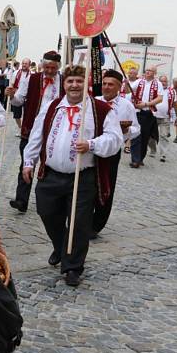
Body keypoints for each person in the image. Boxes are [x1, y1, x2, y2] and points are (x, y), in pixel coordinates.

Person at [22, 65, 122, 286]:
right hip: (51, 174)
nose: (74, 85)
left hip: (82, 176)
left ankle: (73, 266)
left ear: (85, 83)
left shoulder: (100, 109)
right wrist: (28, 162)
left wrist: (92, 144)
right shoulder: (52, 106)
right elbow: (37, 136)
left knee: (79, 223)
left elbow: (115, 140)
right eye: (70, 81)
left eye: (79, 81)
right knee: (46, 212)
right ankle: (60, 245)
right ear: (64, 84)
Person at [9, 51, 63, 213]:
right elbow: (19, 99)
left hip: (55, 130)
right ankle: (21, 200)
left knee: (50, 166)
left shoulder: (64, 81)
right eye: (47, 67)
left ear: (58, 67)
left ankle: (48, 200)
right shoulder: (31, 79)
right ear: (42, 65)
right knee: (26, 163)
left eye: (53, 68)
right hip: (31, 129)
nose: (50, 71)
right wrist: (12, 96)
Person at [92, 70, 140, 238]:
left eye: (110, 84)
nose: (106, 87)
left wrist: (126, 130)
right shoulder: (93, 102)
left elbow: (136, 129)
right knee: (88, 186)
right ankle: (82, 220)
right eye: (104, 84)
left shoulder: (126, 106)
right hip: (91, 149)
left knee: (106, 187)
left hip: (112, 152)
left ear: (119, 87)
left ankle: (97, 224)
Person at [129, 66, 163, 168]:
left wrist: (146, 104)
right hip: (138, 112)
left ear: (154, 73)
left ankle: (140, 158)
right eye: (147, 70)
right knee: (136, 135)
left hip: (149, 114)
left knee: (145, 137)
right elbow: (129, 90)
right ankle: (135, 159)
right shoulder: (139, 81)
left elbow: (160, 98)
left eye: (150, 71)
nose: (148, 72)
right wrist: (127, 83)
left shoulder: (158, 84)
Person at [6, 58, 31, 133]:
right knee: (17, 116)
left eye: (26, 63)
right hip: (16, 97)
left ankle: (25, 128)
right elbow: (12, 84)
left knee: (27, 115)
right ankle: (20, 128)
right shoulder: (16, 73)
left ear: (29, 65)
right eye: (23, 63)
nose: (24, 65)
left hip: (27, 97)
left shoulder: (32, 74)